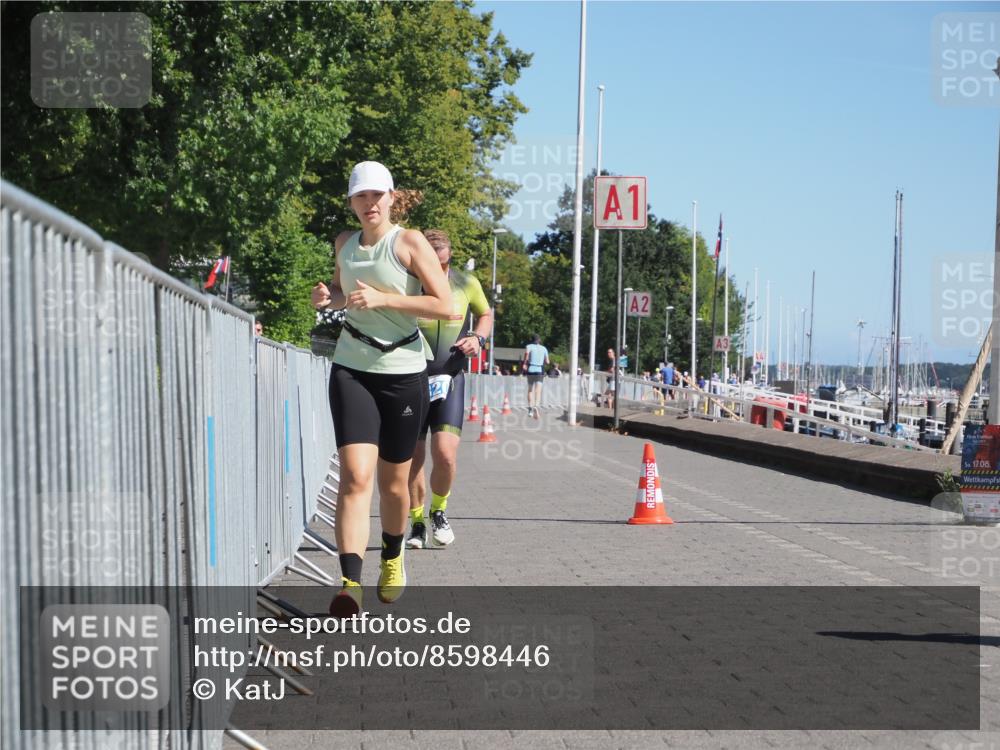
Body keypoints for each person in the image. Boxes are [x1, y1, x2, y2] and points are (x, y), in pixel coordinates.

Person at [310, 161, 452, 617]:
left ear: (391, 197)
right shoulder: (344, 244)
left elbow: (445, 306)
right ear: (350, 201)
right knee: (355, 477)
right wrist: (327, 299)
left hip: (404, 372)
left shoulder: (407, 242)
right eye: (360, 197)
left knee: (394, 486)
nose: (369, 204)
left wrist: (386, 298)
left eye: (376, 195)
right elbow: (341, 292)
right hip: (352, 367)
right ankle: (350, 583)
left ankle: (393, 558)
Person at [406, 229, 492, 550]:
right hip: (411, 380)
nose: (438, 270)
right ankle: (416, 523)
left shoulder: (466, 283)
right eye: (432, 262)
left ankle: (438, 512)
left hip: (450, 378)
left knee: (444, 455)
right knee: (412, 457)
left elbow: (485, 313)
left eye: (444, 263)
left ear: (450, 258)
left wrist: (478, 339)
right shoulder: (406, 284)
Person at [522, 334, 549, 418]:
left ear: (532, 340)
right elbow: (547, 361)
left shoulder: (528, 346)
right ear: (539, 340)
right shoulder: (544, 348)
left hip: (531, 369)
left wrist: (524, 364)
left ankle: (530, 408)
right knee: (538, 391)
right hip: (539, 370)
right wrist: (542, 362)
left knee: (530, 390)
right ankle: (536, 406)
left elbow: (526, 356)